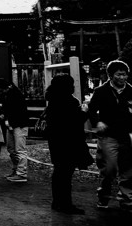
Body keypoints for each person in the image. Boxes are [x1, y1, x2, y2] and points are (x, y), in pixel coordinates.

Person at [43, 73, 93, 214]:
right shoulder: (69, 101)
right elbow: (74, 122)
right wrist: (84, 111)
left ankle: (57, 202)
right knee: (66, 174)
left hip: (56, 141)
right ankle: (65, 204)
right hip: (69, 142)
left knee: (59, 172)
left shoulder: (53, 99)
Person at [87, 59, 132, 210]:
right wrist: (97, 122)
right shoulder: (101, 91)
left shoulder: (131, 90)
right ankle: (104, 195)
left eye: (125, 75)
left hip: (127, 135)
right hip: (108, 136)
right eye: (119, 74)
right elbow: (91, 109)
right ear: (111, 75)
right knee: (109, 168)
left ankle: (127, 199)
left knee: (128, 169)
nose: (122, 78)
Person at [0, 77, 30, 183]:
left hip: (17, 124)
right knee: (13, 149)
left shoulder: (13, 95)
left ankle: (21, 173)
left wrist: (3, 113)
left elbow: (13, 109)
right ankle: (18, 172)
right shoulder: (12, 93)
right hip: (15, 124)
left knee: (18, 150)